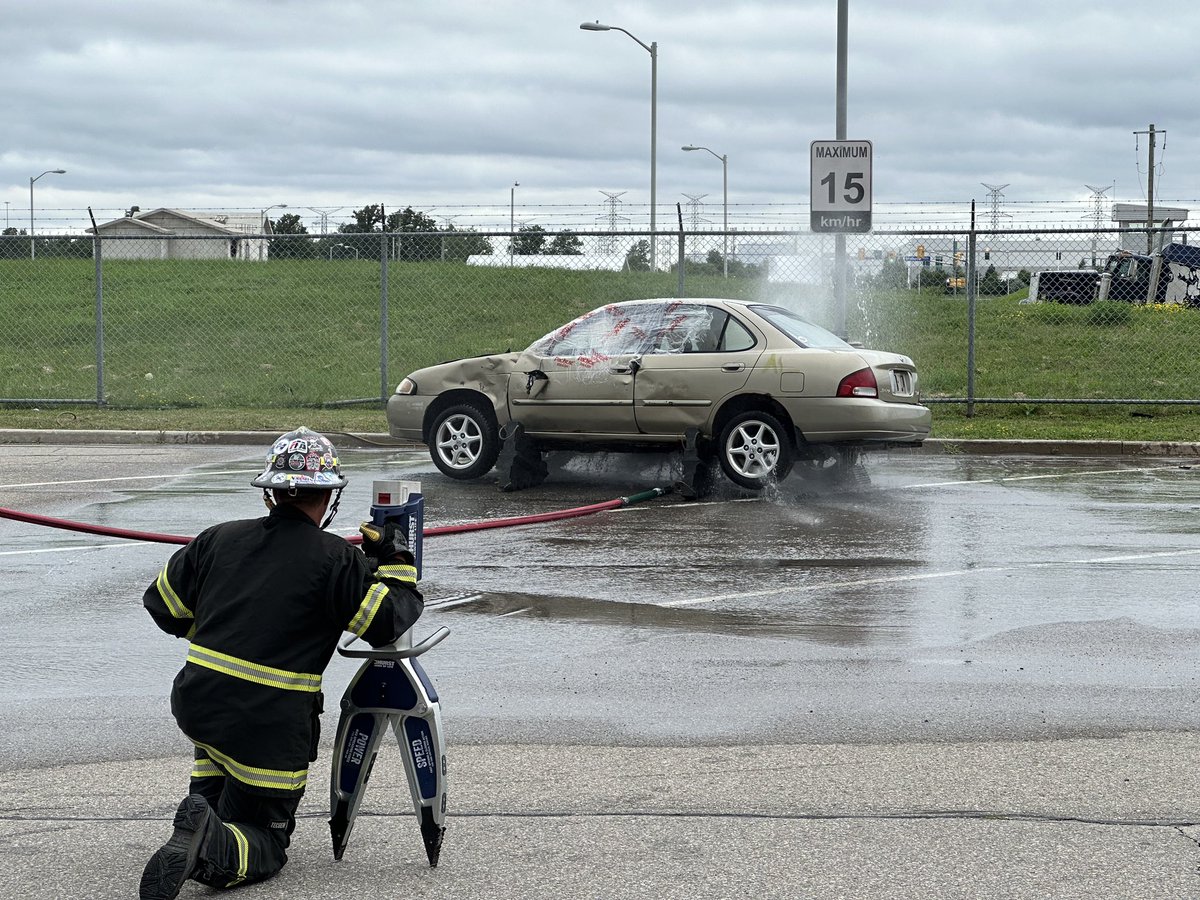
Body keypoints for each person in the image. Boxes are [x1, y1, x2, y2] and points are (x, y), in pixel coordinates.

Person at [139, 426, 423, 899]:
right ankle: (211, 842)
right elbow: (387, 621)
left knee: (220, 757)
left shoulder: (217, 540)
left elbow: (162, 604)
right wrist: (395, 559)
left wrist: (212, 632)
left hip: (199, 702)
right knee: (267, 840)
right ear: (330, 498)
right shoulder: (336, 560)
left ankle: (200, 816)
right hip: (268, 725)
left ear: (271, 493)